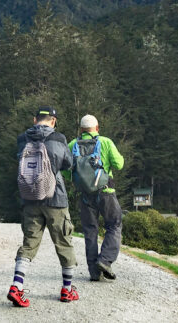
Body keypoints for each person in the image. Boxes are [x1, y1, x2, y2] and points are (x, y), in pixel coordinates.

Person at [7, 106, 78, 308]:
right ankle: (67, 289)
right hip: (55, 198)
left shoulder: (23, 139)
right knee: (64, 242)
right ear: (53, 121)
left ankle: (16, 286)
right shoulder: (58, 138)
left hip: (30, 197)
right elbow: (68, 164)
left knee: (29, 243)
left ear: (34, 119)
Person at [68, 114, 124, 281]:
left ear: (81, 129)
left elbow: (65, 170)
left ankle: (94, 272)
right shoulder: (105, 142)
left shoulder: (72, 144)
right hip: (105, 192)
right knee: (114, 224)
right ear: (97, 128)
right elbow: (119, 164)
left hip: (85, 195)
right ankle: (105, 260)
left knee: (90, 231)